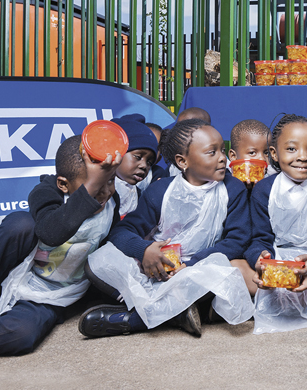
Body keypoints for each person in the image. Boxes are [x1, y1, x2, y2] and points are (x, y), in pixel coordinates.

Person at [79, 119, 254, 338]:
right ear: (182, 161)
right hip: (154, 267)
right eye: (211, 152)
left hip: (196, 268)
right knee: (99, 261)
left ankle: (134, 320)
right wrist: (144, 251)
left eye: (222, 150)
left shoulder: (232, 188)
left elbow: (237, 240)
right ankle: (177, 312)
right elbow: (122, 232)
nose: (222, 158)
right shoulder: (161, 190)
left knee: (226, 270)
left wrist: (190, 264)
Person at [0, 135, 121, 356]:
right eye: (95, 186)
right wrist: (90, 188)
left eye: (111, 181)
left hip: (50, 297)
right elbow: (51, 232)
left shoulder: (111, 203)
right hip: (4, 277)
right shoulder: (46, 192)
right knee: (21, 224)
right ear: (63, 184)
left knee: (22, 334)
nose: (105, 192)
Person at [243, 115, 307, 334]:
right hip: (279, 263)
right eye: (291, 149)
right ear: (274, 153)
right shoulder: (264, 189)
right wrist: (260, 260)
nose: (302, 157)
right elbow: (259, 238)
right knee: (235, 269)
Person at [110, 114, 159, 217]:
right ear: (116, 153)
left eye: (149, 162)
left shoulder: (138, 195)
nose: (143, 166)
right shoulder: (96, 190)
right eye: (137, 157)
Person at [228, 119, 271, 189]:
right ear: (233, 156)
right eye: (252, 153)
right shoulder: (226, 186)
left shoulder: (273, 184)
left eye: (266, 153)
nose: (262, 158)